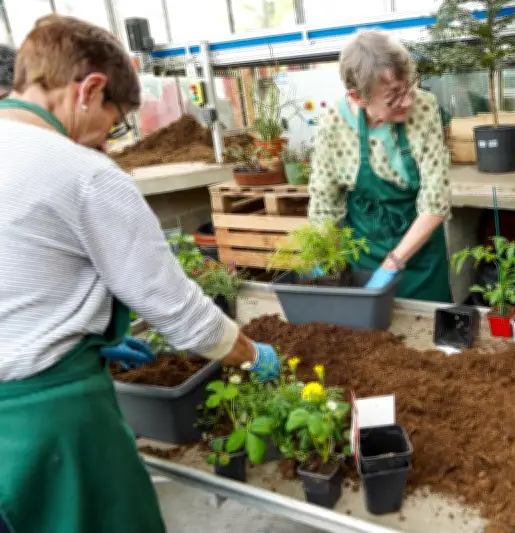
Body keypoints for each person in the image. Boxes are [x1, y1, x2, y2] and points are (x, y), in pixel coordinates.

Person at [0, 15, 281, 533]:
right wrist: (249, 353)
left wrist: (85, 336)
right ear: (91, 90)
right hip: (50, 423)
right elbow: (176, 309)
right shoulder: (83, 173)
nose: (110, 139)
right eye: (117, 121)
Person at [308, 30, 452, 303]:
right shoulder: (332, 125)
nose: (408, 100)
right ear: (358, 97)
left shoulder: (424, 108)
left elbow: (436, 200)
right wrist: (325, 260)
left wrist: (391, 266)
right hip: (362, 258)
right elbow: (324, 204)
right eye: (394, 96)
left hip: (420, 259)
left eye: (408, 86)